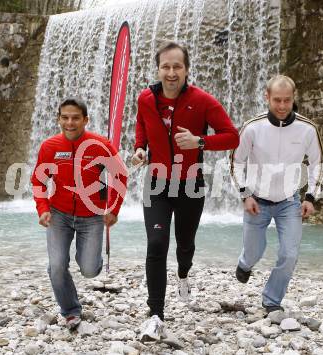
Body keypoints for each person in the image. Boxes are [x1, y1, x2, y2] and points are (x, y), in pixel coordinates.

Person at [132, 41, 239, 341]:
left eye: (177, 66)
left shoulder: (203, 101)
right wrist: (140, 148)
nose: (171, 72)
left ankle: (183, 274)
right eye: (165, 66)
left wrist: (201, 141)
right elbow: (141, 124)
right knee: (156, 244)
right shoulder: (145, 98)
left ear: (187, 70)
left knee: (184, 245)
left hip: (190, 183)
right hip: (156, 183)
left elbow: (233, 137)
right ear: (158, 69)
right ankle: (155, 316)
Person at [31, 97, 127, 329]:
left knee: (89, 269)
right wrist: (43, 209)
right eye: (65, 118)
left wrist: (113, 209)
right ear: (58, 119)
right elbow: (38, 180)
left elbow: (120, 176)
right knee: (56, 266)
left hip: (92, 216)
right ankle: (71, 311)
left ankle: (84, 259)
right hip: (59, 215)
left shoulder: (99, 145)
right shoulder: (50, 147)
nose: (70, 123)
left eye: (75, 118)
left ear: (85, 120)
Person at [231, 75, 323, 313]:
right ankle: (245, 263)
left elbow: (317, 164)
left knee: (289, 254)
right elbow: (236, 161)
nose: (282, 106)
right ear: (267, 98)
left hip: (289, 202)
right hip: (256, 201)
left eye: (287, 100)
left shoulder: (307, 129)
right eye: (277, 100)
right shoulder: (253, 127)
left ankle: (272, 300)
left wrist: (311, 197)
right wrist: (245, 195)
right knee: (254, 251)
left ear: (294, 99)